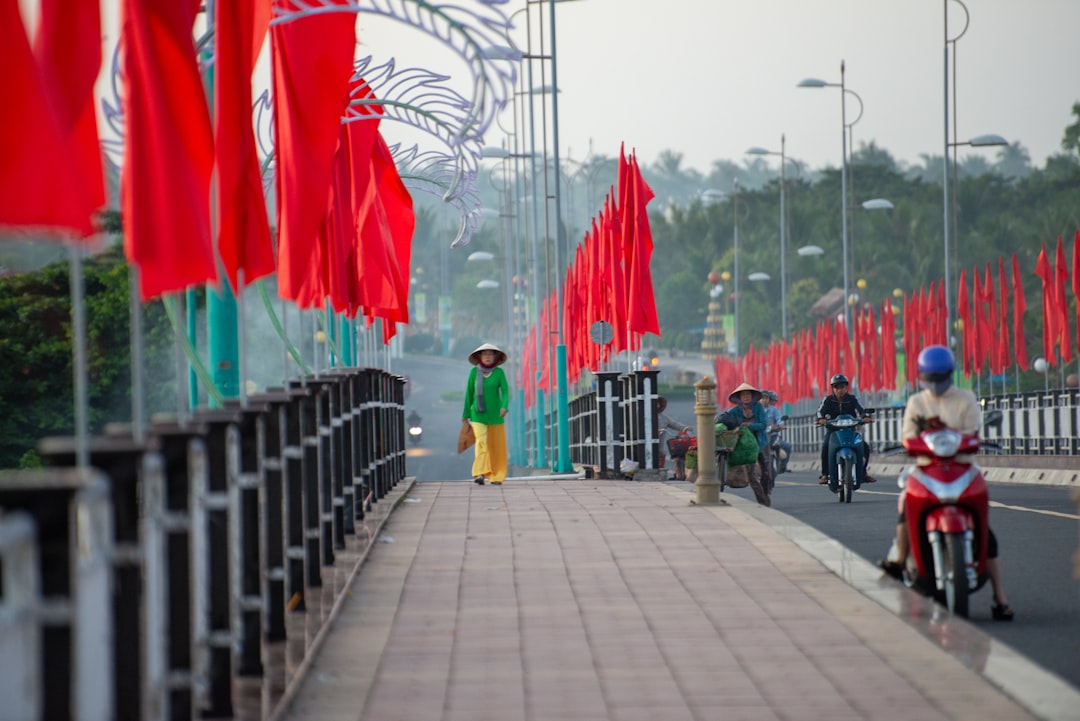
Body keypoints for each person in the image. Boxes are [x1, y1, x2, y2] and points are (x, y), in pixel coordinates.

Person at [880, 345, 1013, 620]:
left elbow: (973, 431)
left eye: (940, 377)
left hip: (962, 467)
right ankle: (899, 558)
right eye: (930, 377)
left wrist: (964, 438)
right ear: (922, 376)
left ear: (950, 374)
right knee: (905, 503)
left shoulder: (965, 399)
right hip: (927, 469)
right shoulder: (916, 403)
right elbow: (908, 436)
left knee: (987, 533)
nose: (936, 383)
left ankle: (1000, 597)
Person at [814, 374, 875, 485]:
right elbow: (819, 412)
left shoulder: (853, 399)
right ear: (833, 388)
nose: (839, 390)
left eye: (842, 386)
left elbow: (861, 409)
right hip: (833, 431)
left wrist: (865, 417)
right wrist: (820, 419)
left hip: (851, 430)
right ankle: (825, 474)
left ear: (846, 387)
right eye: (836, 387)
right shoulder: (827, 400)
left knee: (864, 447)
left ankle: (863, 473)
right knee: (825, 447)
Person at [463, 343, 510, 485]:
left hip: (496, 415)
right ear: (479, 357)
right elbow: (469, 394)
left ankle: (496, 475)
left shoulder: (499, 373)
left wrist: (504, 406)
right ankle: (479, 473)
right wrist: (465, 414)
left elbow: (506, 391)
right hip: (478, 414)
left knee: (495, 446)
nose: (488, 357)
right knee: (482, 442)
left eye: (491, 354)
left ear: (495, 357)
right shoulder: (473, 373)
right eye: (485, 354)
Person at [724, 382, 771, 495]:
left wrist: (749, 425)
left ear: (752, 396)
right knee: (752, 474)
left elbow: (763, 425)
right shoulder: (735, 411)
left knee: (765, 470)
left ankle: (766, 491)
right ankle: (762, 499)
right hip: (745, 445)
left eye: (748, 394)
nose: (745, 396)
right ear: (739, 397)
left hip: (760, 442)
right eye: (743, 394)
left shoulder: (758, 407)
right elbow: (726, 420)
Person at [657, 396, 692, 481]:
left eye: (657, 403)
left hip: (659, 445)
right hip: (648, 445)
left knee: (661, 453)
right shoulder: (646, 416)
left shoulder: (663, 418)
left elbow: (674, 424)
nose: (656, 405)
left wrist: (685, 428)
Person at [761, 390, 792, 474]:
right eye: (762, 398)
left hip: (772, 435)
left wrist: (780, 425)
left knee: (787, 446)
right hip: (760, 436)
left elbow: (779, 419)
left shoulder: (774, 410)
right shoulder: (756, 410)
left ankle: (782, 466)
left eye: (766, 398)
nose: (764, 400)